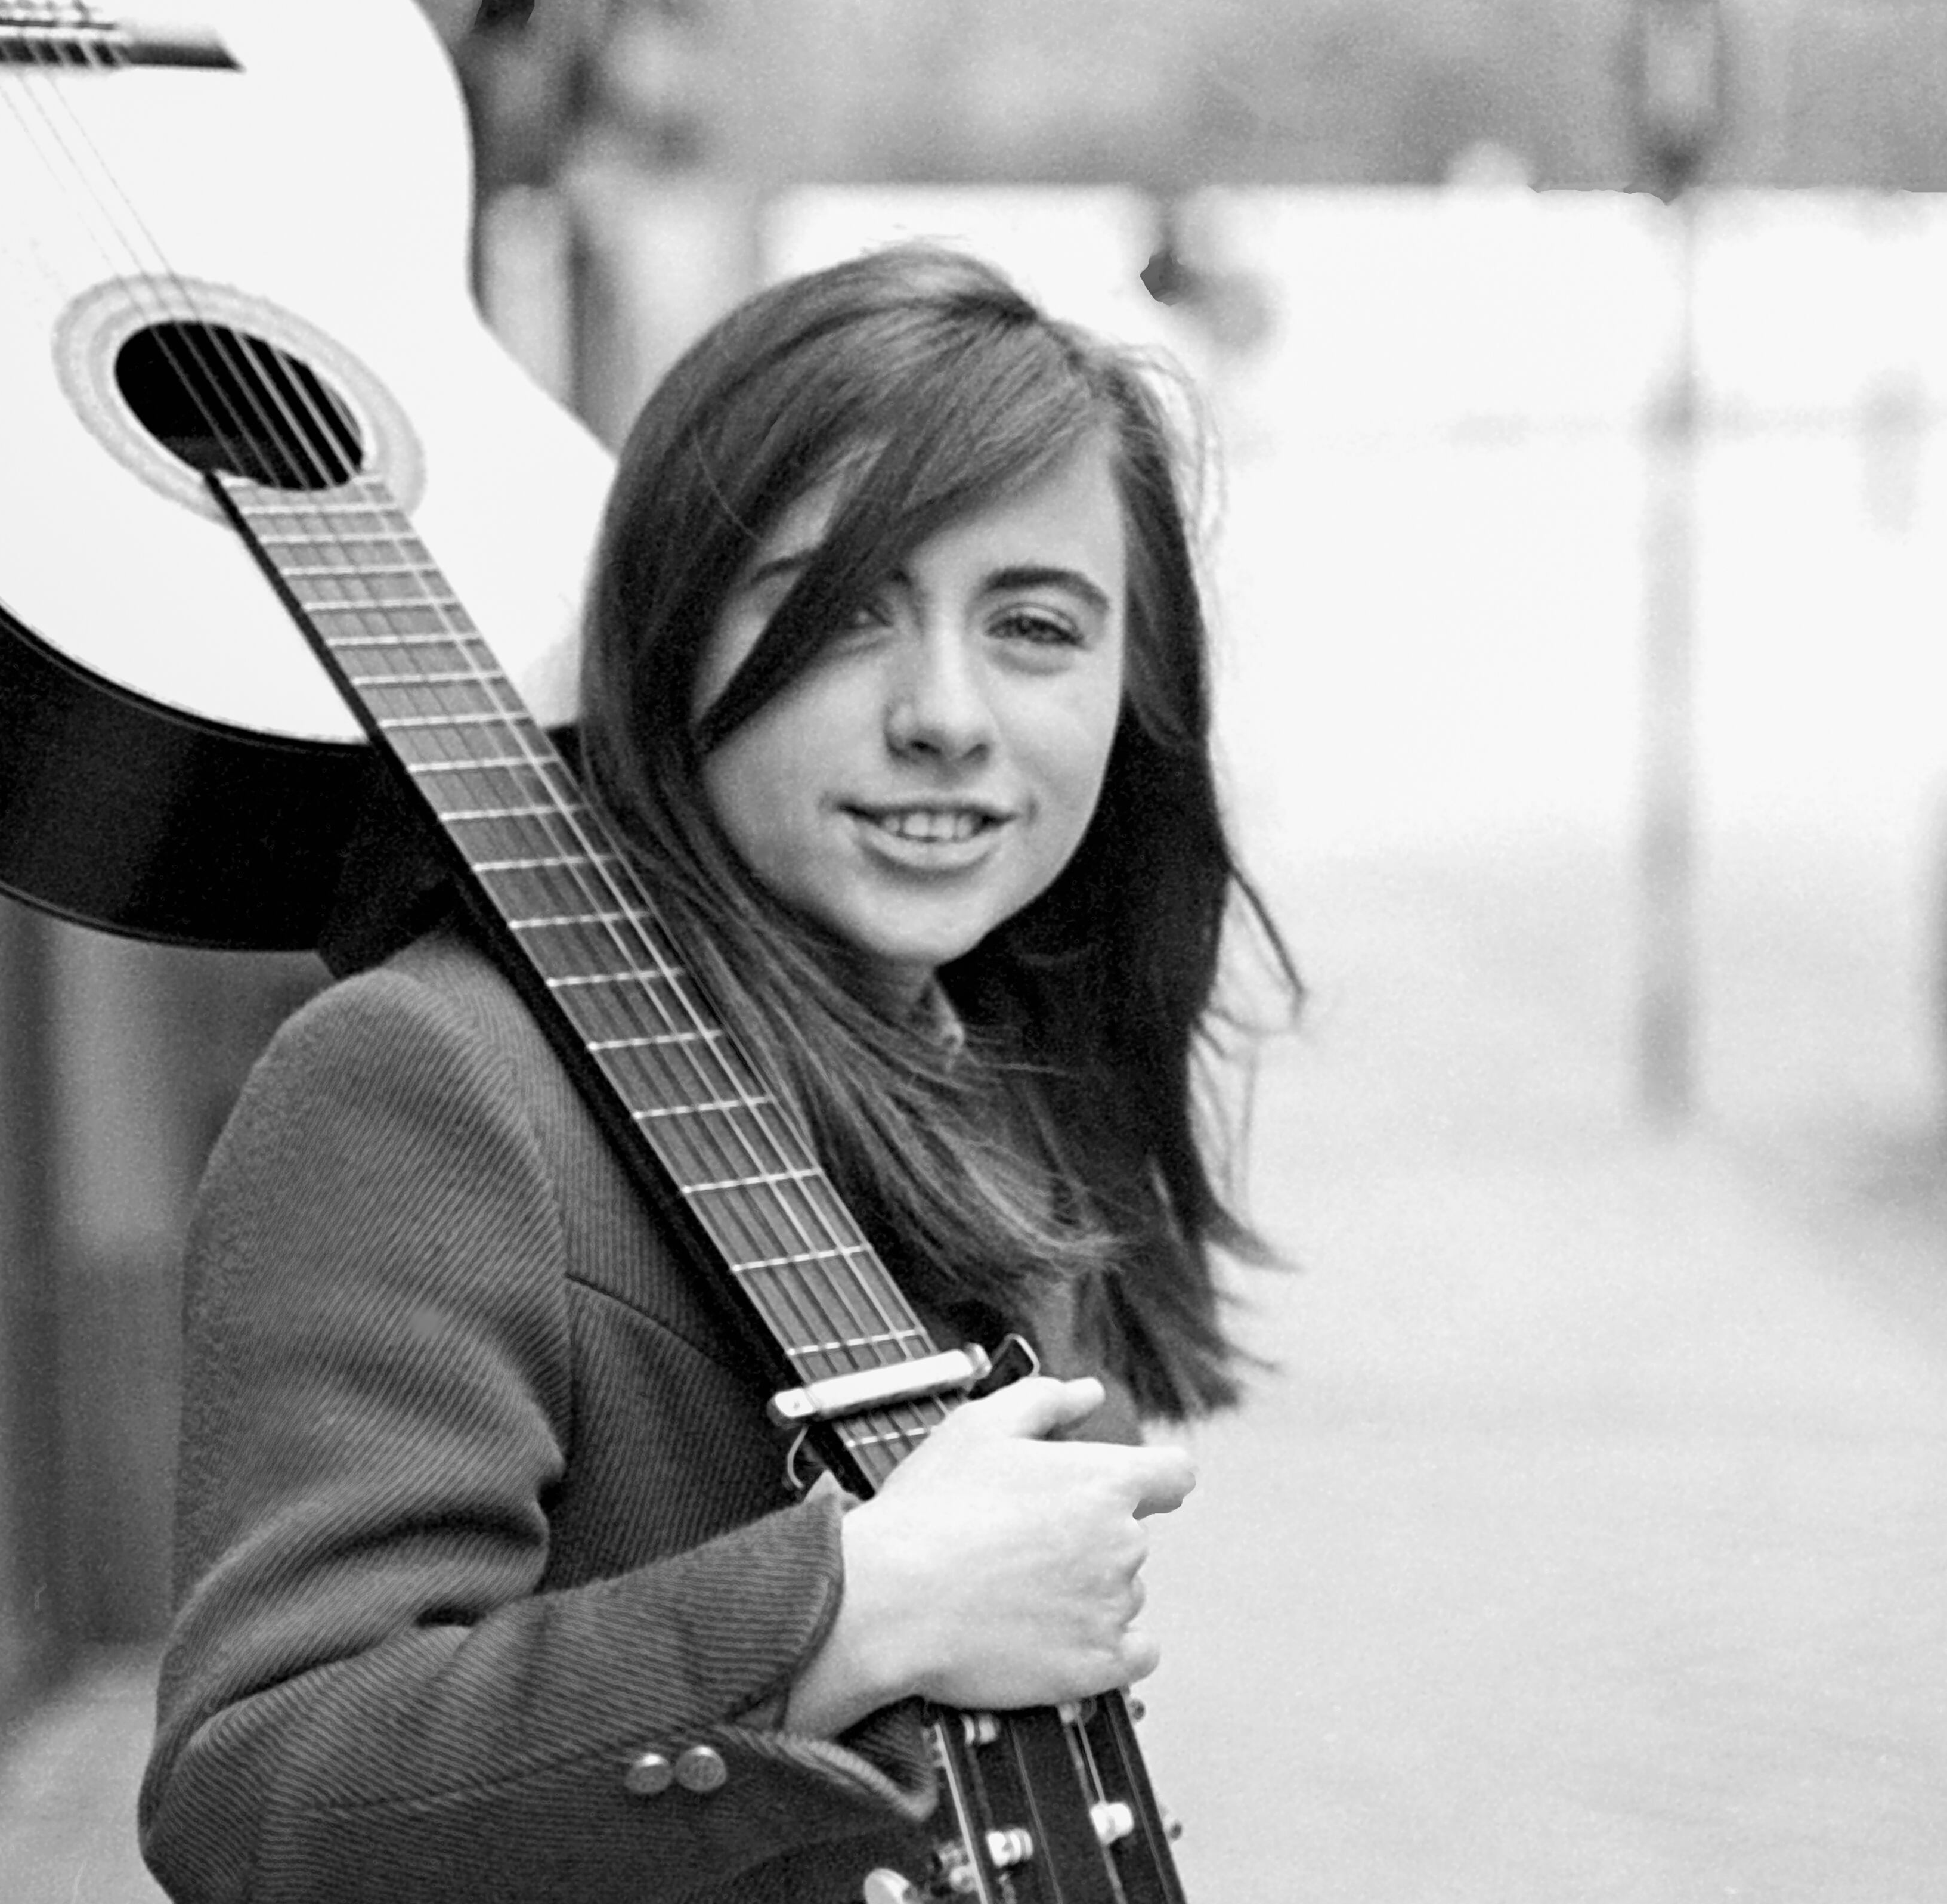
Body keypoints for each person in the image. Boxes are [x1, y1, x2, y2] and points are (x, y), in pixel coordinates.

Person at [140, 242, 1295, 1904]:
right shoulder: (427, 1080)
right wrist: (852, 1605)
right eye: (836, 615)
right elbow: (265, 1804)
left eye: (1037, 626)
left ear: (1138, 692)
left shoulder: (991, 1068)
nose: (947, 715)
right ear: (671, 637)